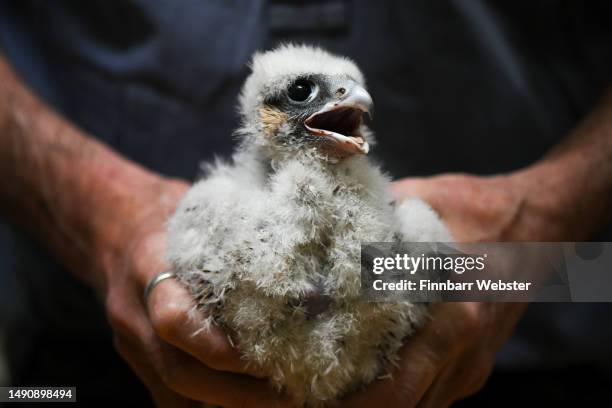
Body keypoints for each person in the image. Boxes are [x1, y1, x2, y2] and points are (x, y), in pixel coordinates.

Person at [0, 1, 611, 406]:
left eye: (350, 92)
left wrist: (541, 250)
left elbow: (592, 273)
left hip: (549, 355)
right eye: (305, 94)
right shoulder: (217, 214)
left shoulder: (405, 243)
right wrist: (89, 215)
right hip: (93, 361)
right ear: (265, 114)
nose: (356, 100)